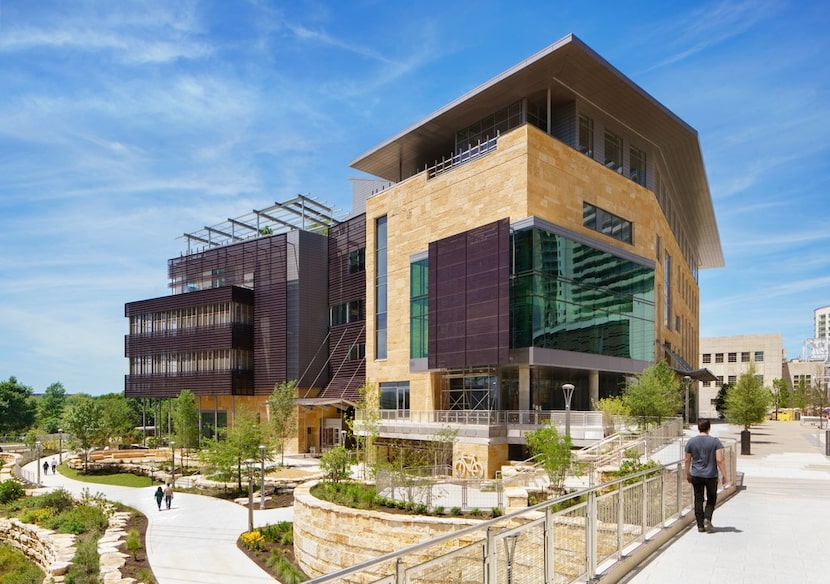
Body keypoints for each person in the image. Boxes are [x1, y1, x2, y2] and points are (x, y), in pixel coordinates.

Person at [685, 418, 729, 533]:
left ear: (698, 428)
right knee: (711, 498)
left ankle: (700, 525)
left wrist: (687, 473)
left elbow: (687, 460)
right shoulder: (715, 442)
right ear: (709, 428)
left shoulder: (691, 442)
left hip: (696, 475)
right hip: (711, 475)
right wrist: (724, 475)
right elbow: (720, 460)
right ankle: (707, 518)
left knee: (698, 498)